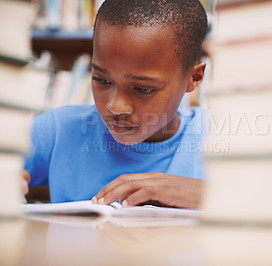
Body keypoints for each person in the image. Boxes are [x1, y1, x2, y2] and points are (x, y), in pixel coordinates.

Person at [22, 0, 208, 209]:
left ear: (194, 77)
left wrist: (213, 195)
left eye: (143, 89)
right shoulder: (57, 131)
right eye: (102, 80)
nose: (115, 106)